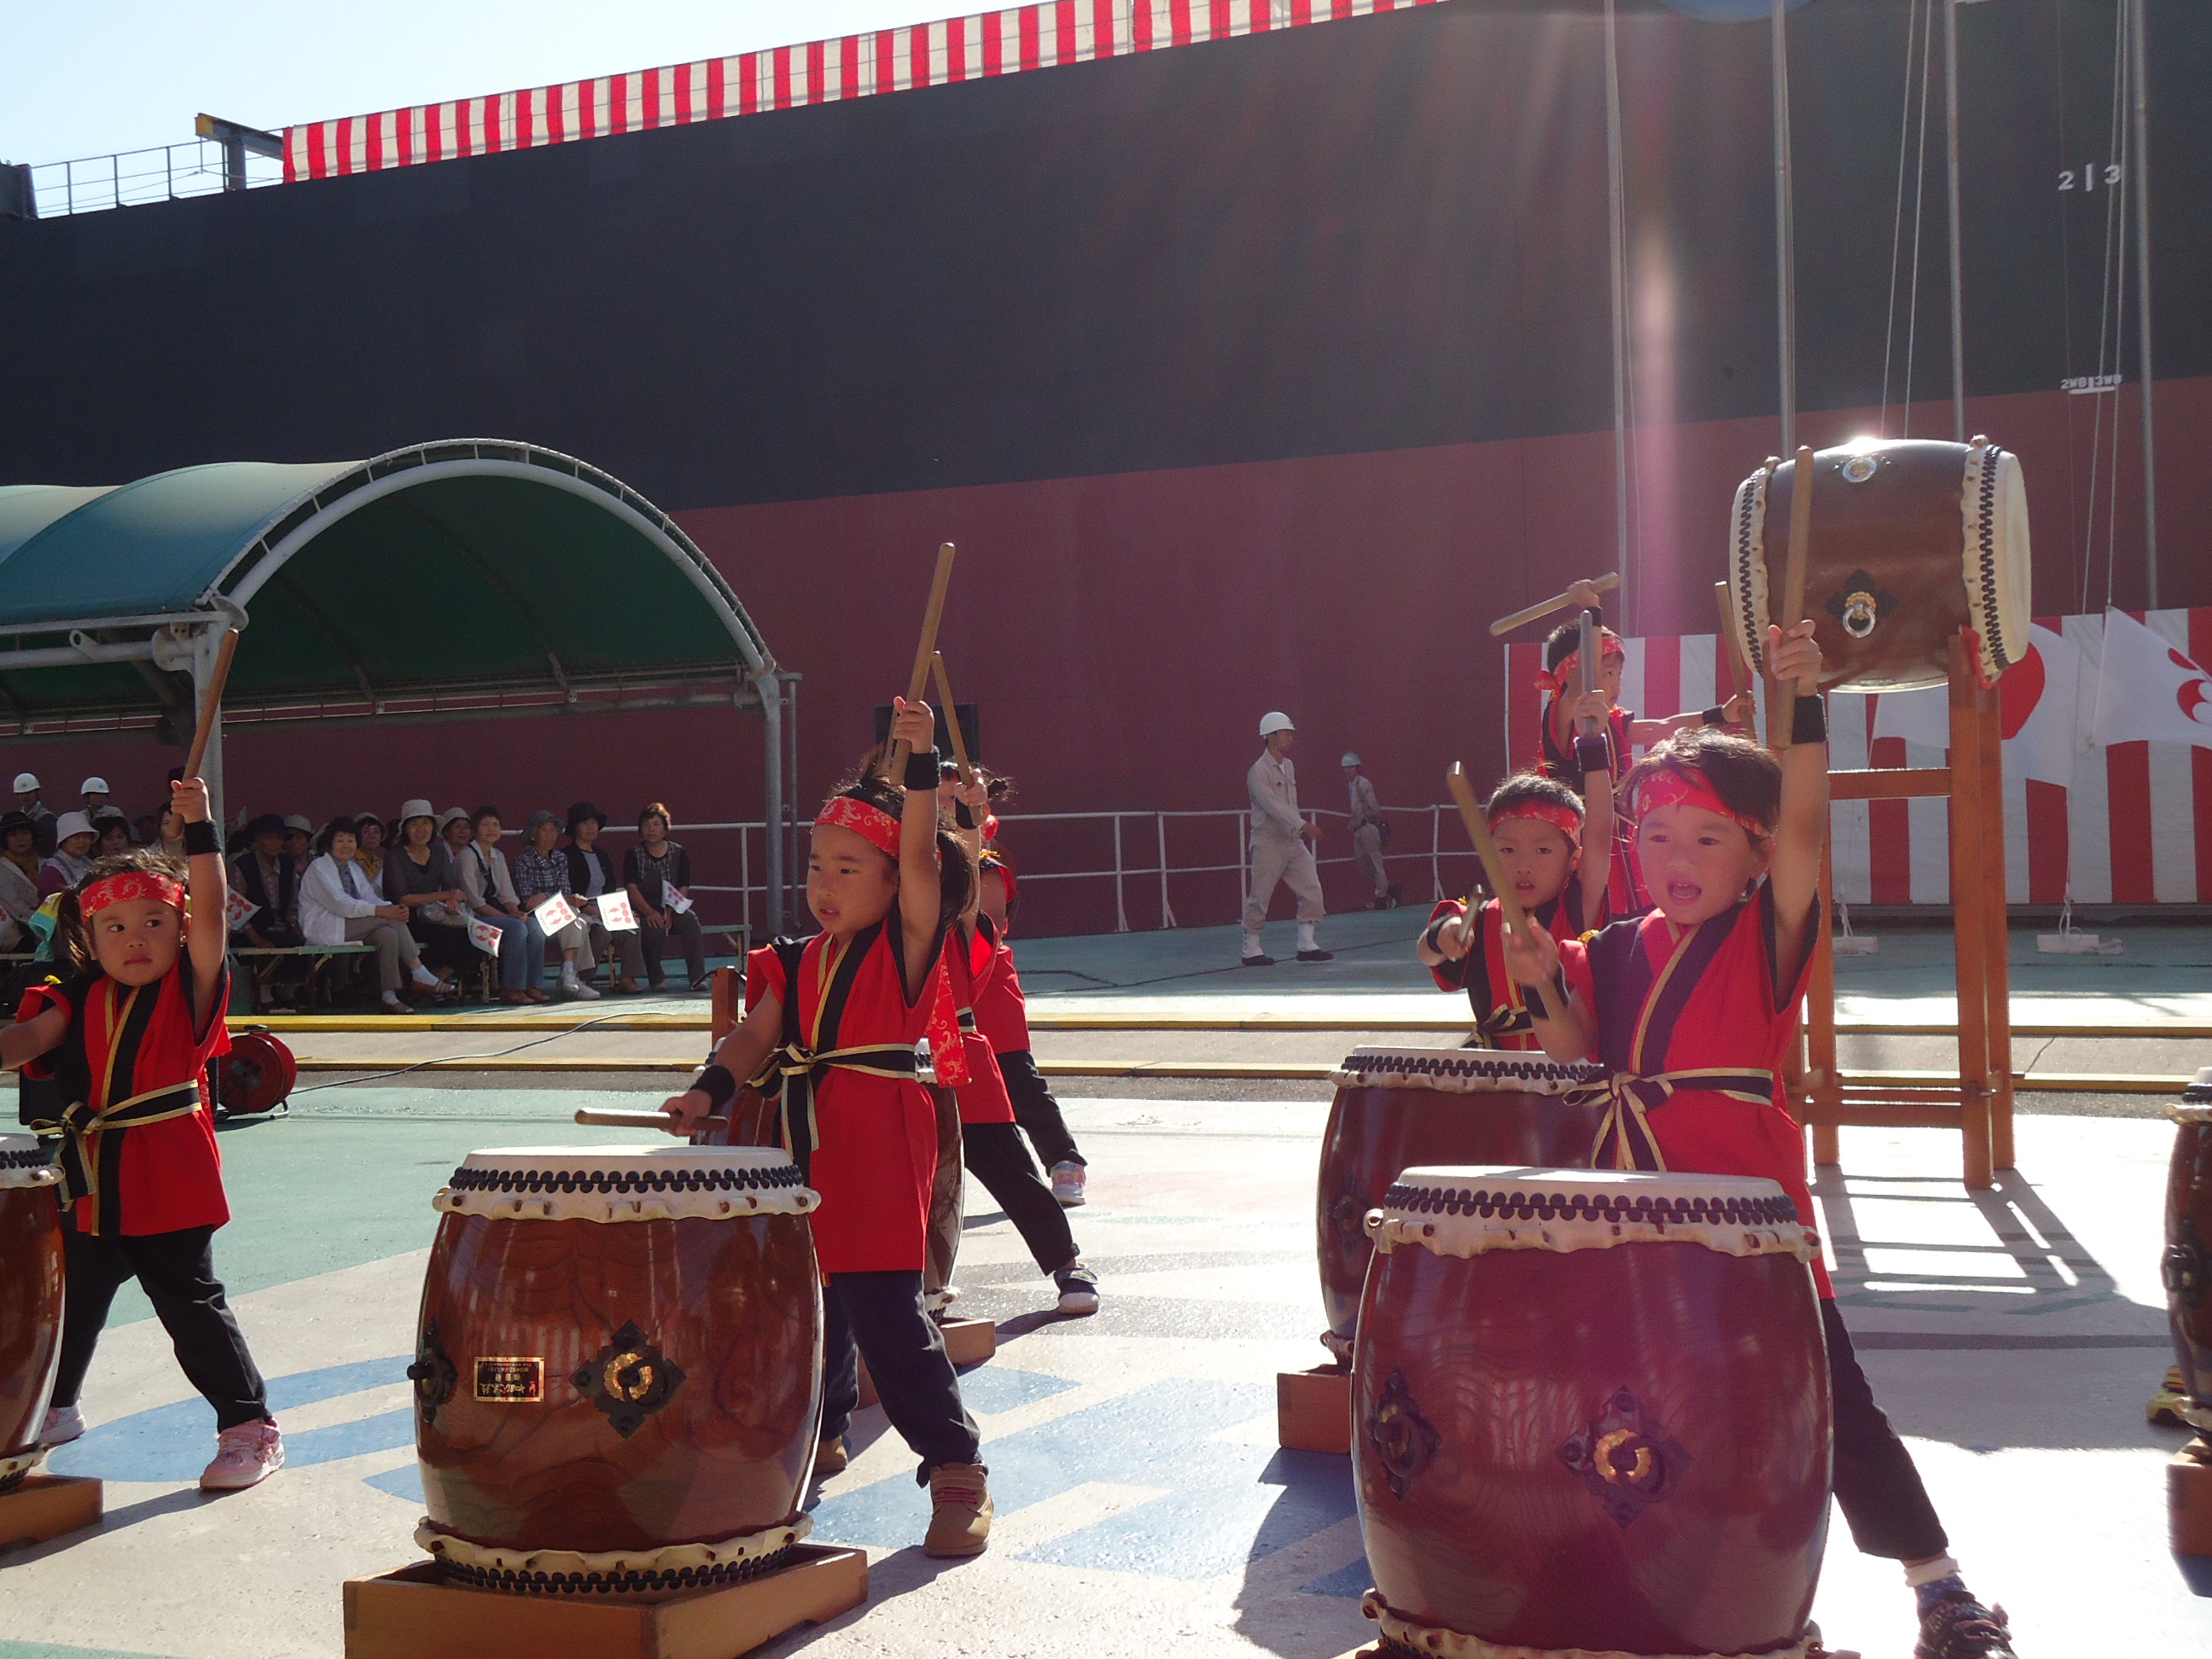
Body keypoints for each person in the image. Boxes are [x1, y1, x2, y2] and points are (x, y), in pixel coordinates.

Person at [1504, 620, 2019, 1659]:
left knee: (1831, 1410)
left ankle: (1940, 1588)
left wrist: (1804, 707)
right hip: (1638, 1220)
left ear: (1758, 851)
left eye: (1708, 838)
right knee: (1634, 1417)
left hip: (1752, 1222)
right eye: (1658, 837)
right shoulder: (1614, 946)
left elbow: (1810, 821)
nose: (1676, 859)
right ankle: (1683, 1594)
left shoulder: (1767, 933)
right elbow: (1572, 1048)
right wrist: (1541, 980)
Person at [666, 700, 992, 1558]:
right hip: (808, 1139)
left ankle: (956, 1466)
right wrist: (706, 1089)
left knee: (884, 1306)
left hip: (880, 1138)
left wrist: (920, 763)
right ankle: (829, 1423)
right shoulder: (798, 961)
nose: (825, 884)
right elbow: (754, 1036)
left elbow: (920, 854)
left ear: (893, 886)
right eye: (817, 865)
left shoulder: (906, 948)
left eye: (849, 868)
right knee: (817, 1295)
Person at [5, 777, 284, 1491]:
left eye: (154, 922)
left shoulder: (191, 987)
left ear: (182, 929)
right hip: (92, 1175)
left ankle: (250, 1429)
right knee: (69, 1301)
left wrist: (202, 828)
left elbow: (213, 908)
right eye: (115, 926)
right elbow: (23, 1042)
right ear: (88, 938)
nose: (135, 938)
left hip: (169, 1172)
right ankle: (57, 1408)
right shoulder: (76, 996)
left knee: (188, 1303)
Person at [939, 771, 1098, 1314]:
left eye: (953, 798)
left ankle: (1066, 1257)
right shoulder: (892, 877)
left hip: (965, 1024)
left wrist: (966, 831)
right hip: (900, 1047)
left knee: (1008, 1143)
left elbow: (978, 922)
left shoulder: (977, 869)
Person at [1537, 579, 1755, 913]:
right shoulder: (1564, 710)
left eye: (1617, 674)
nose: (1614, 683)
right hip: (1583, 831)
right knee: (1588, 909)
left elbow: (1662, 727)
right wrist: (1592, 610)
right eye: (1607, 673)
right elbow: (1584, 681)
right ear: (1571, 670)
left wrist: (1721, 715)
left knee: (1631, 910)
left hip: (1618, 829)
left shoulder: (1613, 719)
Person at [1417, 771, 1611, 1048]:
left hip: (1568, 1064)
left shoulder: (1579, 907)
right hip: (1497, 1064)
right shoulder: (1479, 919)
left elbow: (1601, 835)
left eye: (1543, 851)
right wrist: (1443, 936)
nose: (1523, 866)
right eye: (1508, 850)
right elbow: (1426, 953)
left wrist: (1593, 752)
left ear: (1574, 859)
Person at [975, 842, 1088, 1208]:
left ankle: (1064, 1161)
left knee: (1020, 1085)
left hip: (988, 990)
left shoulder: (987, 870)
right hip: (936, 992)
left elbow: (984, 937)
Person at [300, 817, 448, 1014]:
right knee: (389, 919)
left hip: (353, 925)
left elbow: (369, 896)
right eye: (340, 840)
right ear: (330, 843)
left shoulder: (353, 868)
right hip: (327, 926)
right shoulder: (319, 867)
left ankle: (389, 996)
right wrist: (384, 912)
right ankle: (419, 971)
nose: (346, 845)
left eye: (351, 840)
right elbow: (340, 905)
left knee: (388, 934)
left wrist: (394, 909)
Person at [1242, 712, 1330, 967]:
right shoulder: (1258, 772)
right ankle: (1251, 948)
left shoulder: (1288, 765)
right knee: (1260, 896)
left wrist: (1298, 828)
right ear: (1271, 737)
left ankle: (1306, 944)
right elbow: (1273, 806)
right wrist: (1303, 825)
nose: (1291, 738)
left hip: (1292, 840)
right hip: (1268, 842)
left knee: (1311, 888)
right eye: (1286, 733)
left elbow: (1289, 805)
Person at [453, 806, 544, 1004]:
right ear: (475, 830)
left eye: (495, 825)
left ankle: (532, 985)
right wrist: (508, 918)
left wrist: (516, 912)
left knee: (535, 927)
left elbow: (506, 894)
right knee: (517, 928)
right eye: (485, 825)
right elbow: (474, 901)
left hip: (496, 913)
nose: (491, 829)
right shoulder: (466, 857)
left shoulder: (498, 856)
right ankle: (511, 988)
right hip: (472, 917)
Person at [512, 809, 600, 1002]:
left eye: (553, 830)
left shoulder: (560, 858)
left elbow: (565, 891)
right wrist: (553, 898)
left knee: (576, 917)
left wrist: (545, 896)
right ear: (533, 835)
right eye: (545, 830)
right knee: (577, 919)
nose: (551, 835)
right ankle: (572, 976)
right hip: (536, 916)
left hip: (560, 914)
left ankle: (569, 973)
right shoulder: (523, 862)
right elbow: (528, 900)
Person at [384, 800, 475, 981]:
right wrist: (445, 896)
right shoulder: (395, 855)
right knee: (446, 939)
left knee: (475, 937)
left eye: (425, 823)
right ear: (405, 829)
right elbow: (403, 899)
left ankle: (435, 980)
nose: (421, 830)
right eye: (414, 824)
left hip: (435, 914)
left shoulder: (439, 851)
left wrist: (452, 901)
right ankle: (425, 982)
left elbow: (450, 886)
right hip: (406, 918)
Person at [563, 801, 646, 994]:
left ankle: (628, 979)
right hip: (581, 912)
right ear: (575, 828)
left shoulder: (602, 856)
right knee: (602, 933)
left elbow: (610, 890)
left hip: (605, 911)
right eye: (585, 823)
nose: (591, 827)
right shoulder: (566, 856)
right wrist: (595, 912)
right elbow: (571, 895)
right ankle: (582, 979)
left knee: (632, 928)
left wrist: (621, 912)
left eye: (593, 823)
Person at [626, 803, 707, 992]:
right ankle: (656, 979)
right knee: (652, 928)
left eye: (656, 824)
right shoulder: (633, 854)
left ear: (665, 827)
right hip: (645, 909)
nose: (651, 829)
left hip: (673, 907)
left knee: (690, 921)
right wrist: (650, 912)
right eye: (646, 825)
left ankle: (698, 977)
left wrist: (670, 911)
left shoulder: (679, 852)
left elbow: (683, 886)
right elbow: (632, 887)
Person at [1342, 753, 1401, 911]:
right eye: (1345, 767)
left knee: (1375, 863)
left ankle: (1381, 897)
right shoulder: (1352, 785)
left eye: (1351, 767)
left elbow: (1374, 807)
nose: (1348, 770)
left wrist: (1369, 820)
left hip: (1367, 827)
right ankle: (1389, 889)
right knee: (1363, 865)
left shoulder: (1363, 784)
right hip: (1359, 828)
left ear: (1358, 768)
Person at [0, 812, 41, 952]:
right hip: (20, 934)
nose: (20, 839)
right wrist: (44, 923)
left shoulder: (44, 862)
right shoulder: (3, 869)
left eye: (25, 833)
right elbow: (17, 909)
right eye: (13, 835)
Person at [40, 812, 98, 899]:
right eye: (76, 837)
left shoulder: (90, 863)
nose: (82, 841)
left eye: (86, 836)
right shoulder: (52, 871)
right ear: (64, 840)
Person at [14, 772, 55, 857]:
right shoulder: (17, 818)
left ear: (37, 793)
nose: (25, 797)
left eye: (29, 793)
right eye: (22, 794)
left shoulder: (48, 819)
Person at [352, 812, 388, 888]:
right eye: (365, 832)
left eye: (376, 832)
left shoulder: (382, 863)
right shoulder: (349, 860)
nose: (372, 836)